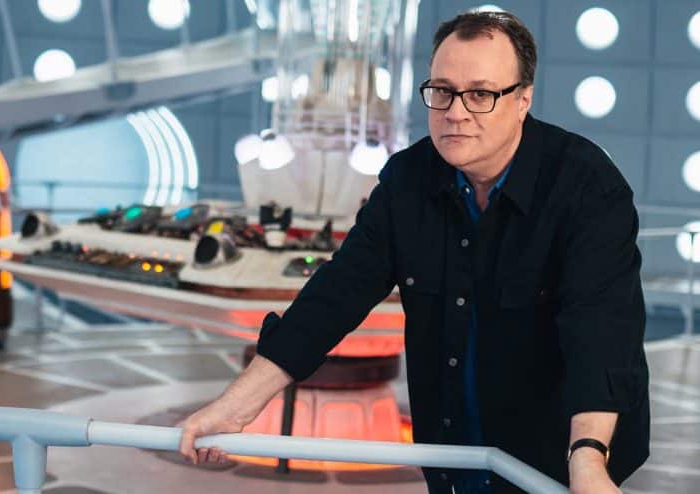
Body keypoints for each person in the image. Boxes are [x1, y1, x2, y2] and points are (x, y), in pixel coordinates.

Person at [178, 10, 650, 494]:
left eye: (480, 94)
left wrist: (588, 458)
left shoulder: (587, 186)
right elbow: (334, 296)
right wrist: (234, 406)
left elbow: (600, 330)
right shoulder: (407, 179)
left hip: (557, 460)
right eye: (442, 90)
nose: (455, 112)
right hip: (452, 452)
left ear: (522, 100)